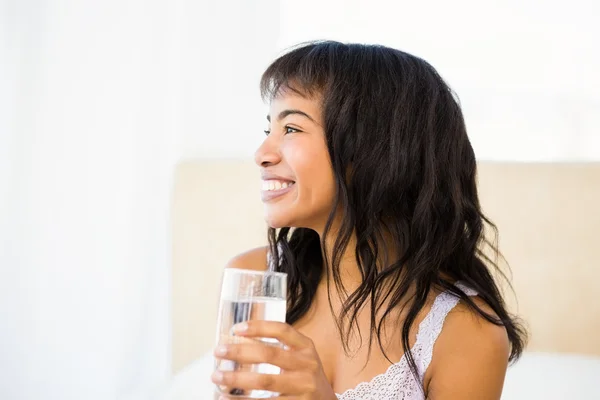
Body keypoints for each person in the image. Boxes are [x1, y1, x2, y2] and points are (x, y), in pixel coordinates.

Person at [210, 40, 527, 399]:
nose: (262, 154)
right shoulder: (254, 280)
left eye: (292, 129)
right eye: (270, 130)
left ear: (372, 151)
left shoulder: (466, 331)